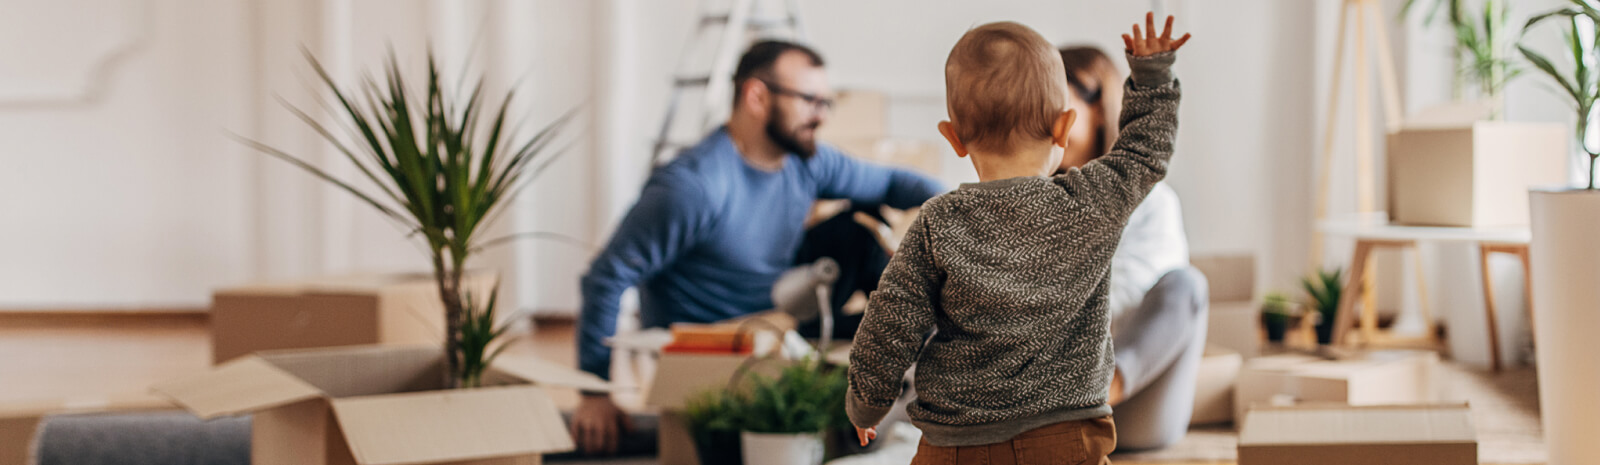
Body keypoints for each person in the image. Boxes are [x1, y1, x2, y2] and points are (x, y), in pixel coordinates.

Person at [569, 40, 946, 455]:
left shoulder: (805, 161)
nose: (820, 116)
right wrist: (595, 392)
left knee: (856, 237)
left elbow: (894, 183)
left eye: (826, 103)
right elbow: (607, 277)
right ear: (756, 96)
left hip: (781, 322)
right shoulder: (694, 186)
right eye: (809, 101)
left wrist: (964, 212)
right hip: (721, 348)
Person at [846, 14, 1189, 465]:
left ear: (953, 137)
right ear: (1064, 127)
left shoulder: (937, 221)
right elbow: (1144, 152)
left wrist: (867, 402)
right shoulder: (1090, 201)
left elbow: (890, 321)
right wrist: (1152, 75)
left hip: (954, 444)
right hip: (1065, 436)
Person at [1058, 44, 1208, 451]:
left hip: (1133, 402)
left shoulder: (1153, 203)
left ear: (1097, 107)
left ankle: (1093, 395)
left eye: (1058, 105)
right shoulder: (1035, 202)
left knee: (1186, 286)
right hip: (1048, 403)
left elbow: (1128, 293)